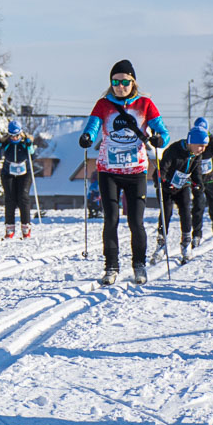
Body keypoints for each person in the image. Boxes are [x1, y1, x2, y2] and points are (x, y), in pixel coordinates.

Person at [79, 59, 169, 286]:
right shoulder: (103, 104)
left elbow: (164, 133)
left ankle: (139, 265)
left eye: (125, 81)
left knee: (135, 221)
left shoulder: (145, 104)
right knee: (111, 219)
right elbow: (92, 126)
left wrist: (160, 139)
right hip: (108, 170)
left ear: (133, 82)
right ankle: (111, 267)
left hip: (136, 171)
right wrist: (88, 137)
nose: (120, 86)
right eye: (116, 82)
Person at [152, 127, 207, 264]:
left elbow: (196, 173)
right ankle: (161, 244)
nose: (202, 149)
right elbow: (163, 168)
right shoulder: (174, 150)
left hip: (182, 185)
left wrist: (198, 184)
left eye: (204, 146)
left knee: (185, 212)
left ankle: (186, 244)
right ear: (191, 142)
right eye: (200, 146)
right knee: (166, 212)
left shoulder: (196, 155)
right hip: (167, 185)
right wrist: (163, 182)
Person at [188, 118, 213, 247]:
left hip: (211, 177)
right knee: (198, 205)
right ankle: (197, 233)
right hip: (197, 177)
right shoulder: (193, 138)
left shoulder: (211, 140)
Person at [0, 119, 34, 239]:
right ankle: (9, 228)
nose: (15, 138)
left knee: (23, 197)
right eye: (12, 136)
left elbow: (32, 153)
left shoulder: (25, 142)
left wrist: (29, 145)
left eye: (17, 135)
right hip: (8, 173)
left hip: (24, 173)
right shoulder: (6, 143)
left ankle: (26, 227)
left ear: (20, 133)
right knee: (10, 199)